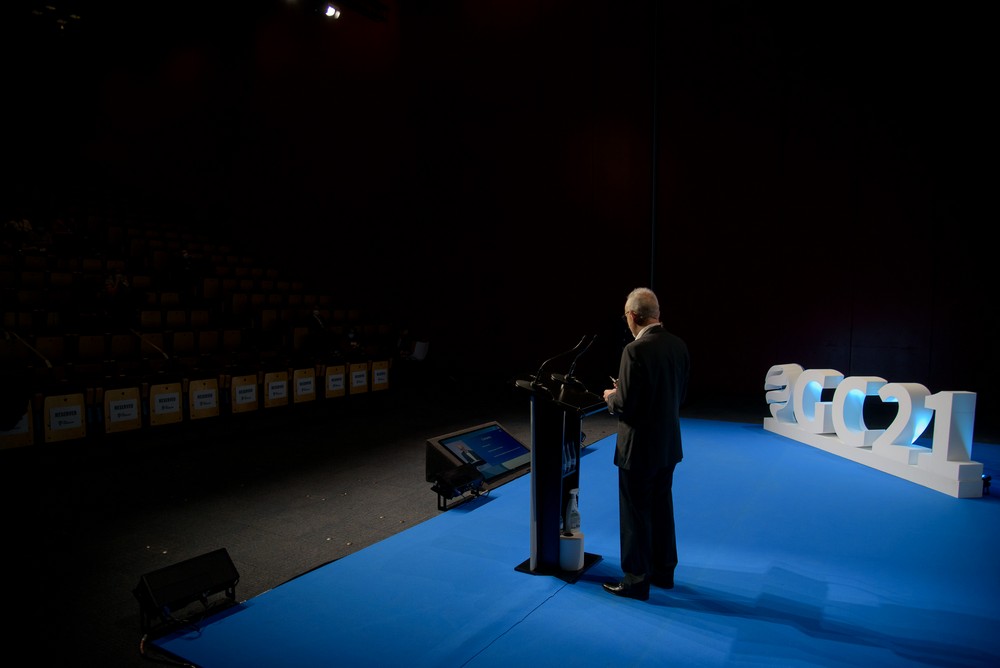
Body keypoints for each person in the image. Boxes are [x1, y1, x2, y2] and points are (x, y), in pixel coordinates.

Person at [601, 287, 690, 601]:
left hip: (638, 448)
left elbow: (625, 405)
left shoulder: (634, 351)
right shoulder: (678, 345)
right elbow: (678, 395)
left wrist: (612, 396)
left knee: (635, 515)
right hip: (668, 445)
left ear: (632, 316)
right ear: (656, 313)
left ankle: (636, 580)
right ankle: (664, 573)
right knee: (662, 509)